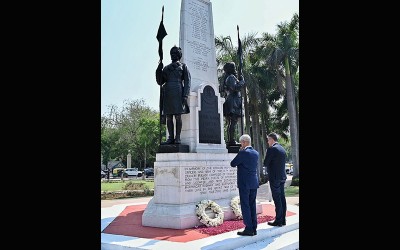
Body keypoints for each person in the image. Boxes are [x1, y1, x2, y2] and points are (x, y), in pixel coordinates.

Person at [156, 45, 191, 144]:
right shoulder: (166, 68)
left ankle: (178, 137)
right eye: (172, 53)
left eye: (175, 53)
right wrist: (159, 69)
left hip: (178, 91)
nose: (173, 55)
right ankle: (170, 137)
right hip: (167, 92)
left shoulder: (183, 66)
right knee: (168, 116)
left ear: (179, 55)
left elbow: (187, 81)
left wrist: (185, 95)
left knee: (178, 116)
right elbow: (160, 81)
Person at [230, 134, 259, 236]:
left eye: (241, 142)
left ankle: (249, 229)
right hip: (253, 183)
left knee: (245, 205)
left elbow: (233, 163)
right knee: (252, 205)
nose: (240, 144)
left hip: (244, 184)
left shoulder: (243, 153)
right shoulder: (256, 153)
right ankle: (254, 227)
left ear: (244, 142)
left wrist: (240, 152)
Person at [263, 132, 287, 227]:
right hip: (282, 177)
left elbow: (265, 163)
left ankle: (278, 220)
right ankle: (283, 219)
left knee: (277, 199)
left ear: (272, 139)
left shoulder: (272, 149)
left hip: (275, 178)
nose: (268, 142)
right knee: (282, 198)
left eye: (268, 140)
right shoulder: (282, 149)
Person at [220, 62, 245, 145]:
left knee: (232, 122)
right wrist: (242, 81)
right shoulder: (231, 77)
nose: (235, 69)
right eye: (233, 68)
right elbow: (234, 88)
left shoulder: (231, 77)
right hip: (233, 101)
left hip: (233, 100)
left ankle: (231, 139)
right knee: (232, 121)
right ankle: (231, 140)